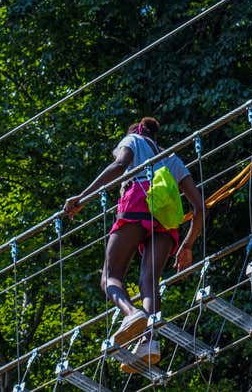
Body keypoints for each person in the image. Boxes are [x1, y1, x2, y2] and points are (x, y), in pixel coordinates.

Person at [63, 117, 205, 372]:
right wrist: (187, 245)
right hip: (166, 217)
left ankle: (131, 314)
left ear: (134, 132)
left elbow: (119, 166)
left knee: (109, 277)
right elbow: (199, 207)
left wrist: (83, 198)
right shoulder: (172, 157)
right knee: (149, 282)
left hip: (137, 202)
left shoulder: (133, 140)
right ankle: (149, 341)